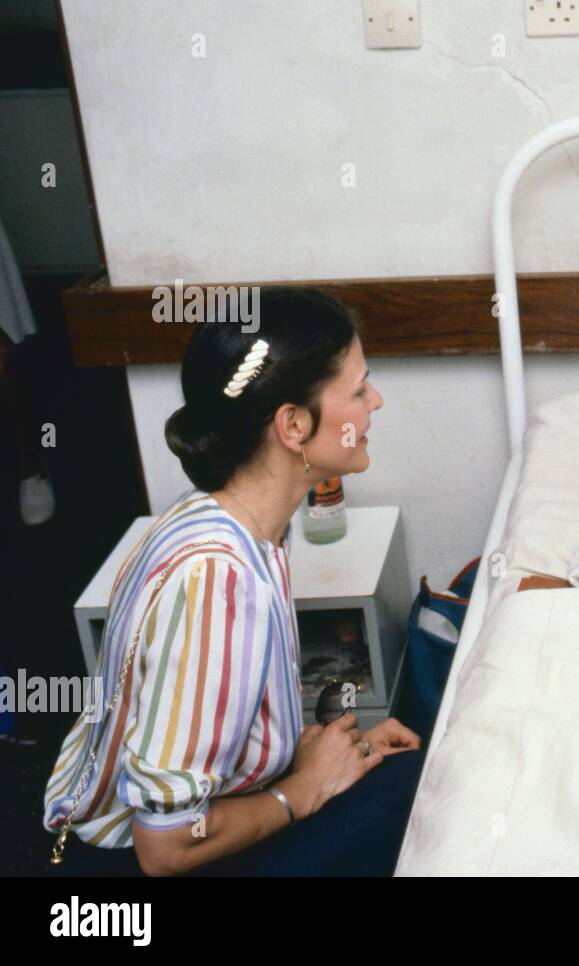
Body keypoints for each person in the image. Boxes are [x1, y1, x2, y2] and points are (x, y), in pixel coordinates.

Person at [42, 287, 425, 876]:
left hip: (176, 822)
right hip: (130, 866)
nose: (376, 400)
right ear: (293, 425)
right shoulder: (219, 580)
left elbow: (210, 729)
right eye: (357, 389)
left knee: (397, 767)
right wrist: (307, 789)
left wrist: (345, 751)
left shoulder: (223, 518)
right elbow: (164, 848)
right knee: (415, 799)